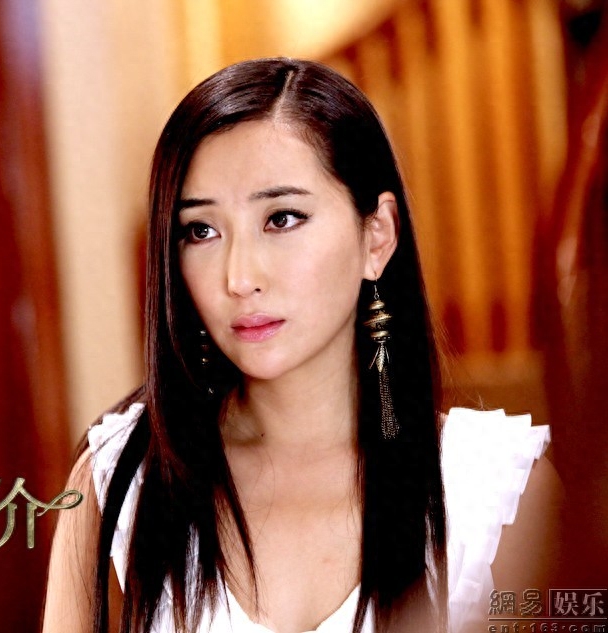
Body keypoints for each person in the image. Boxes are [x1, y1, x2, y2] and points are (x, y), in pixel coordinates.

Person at [41, 58, 560, 633]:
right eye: (201, 231)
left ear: (377, 236)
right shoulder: (119, 485)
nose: (239, 277)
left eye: (282, 218)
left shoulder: (496, 495)